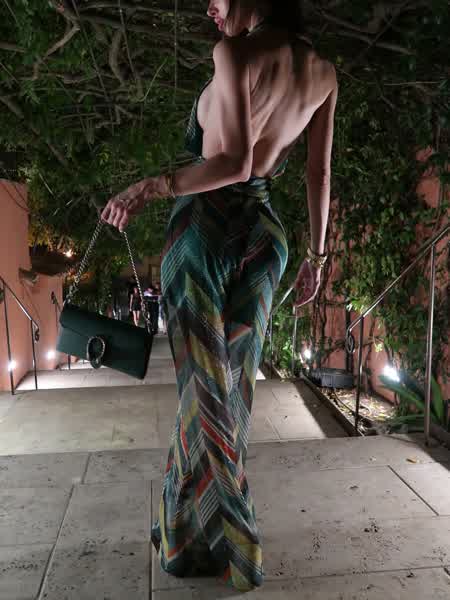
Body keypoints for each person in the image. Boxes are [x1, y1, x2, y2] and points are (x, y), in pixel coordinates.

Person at [101, 0, 337, 591]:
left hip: (204, 231)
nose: (209, 6)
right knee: (228, 393)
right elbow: (318, 174)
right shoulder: (325, 73)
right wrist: (318, 257)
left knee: (203, 392)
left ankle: (229, 538)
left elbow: (232, 162)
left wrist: (152, 186)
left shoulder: (233, 53)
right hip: (264, 237)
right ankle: (188, 531)